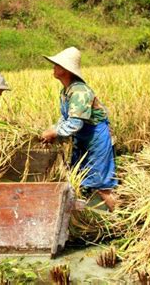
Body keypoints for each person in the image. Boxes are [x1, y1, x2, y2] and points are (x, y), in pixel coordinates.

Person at [40, 47, 117, 211]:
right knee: (79, 180)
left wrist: (54, 132)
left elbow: (75, 124)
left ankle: (120, 220)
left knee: (101, 186)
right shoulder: (67, 91)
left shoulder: (79, 92)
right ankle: (86, 218)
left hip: (96, 140)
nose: (53, 67)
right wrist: (55, 129)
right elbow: (66, 118)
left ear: (65, 70)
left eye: (57, 64)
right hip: (83, 140)